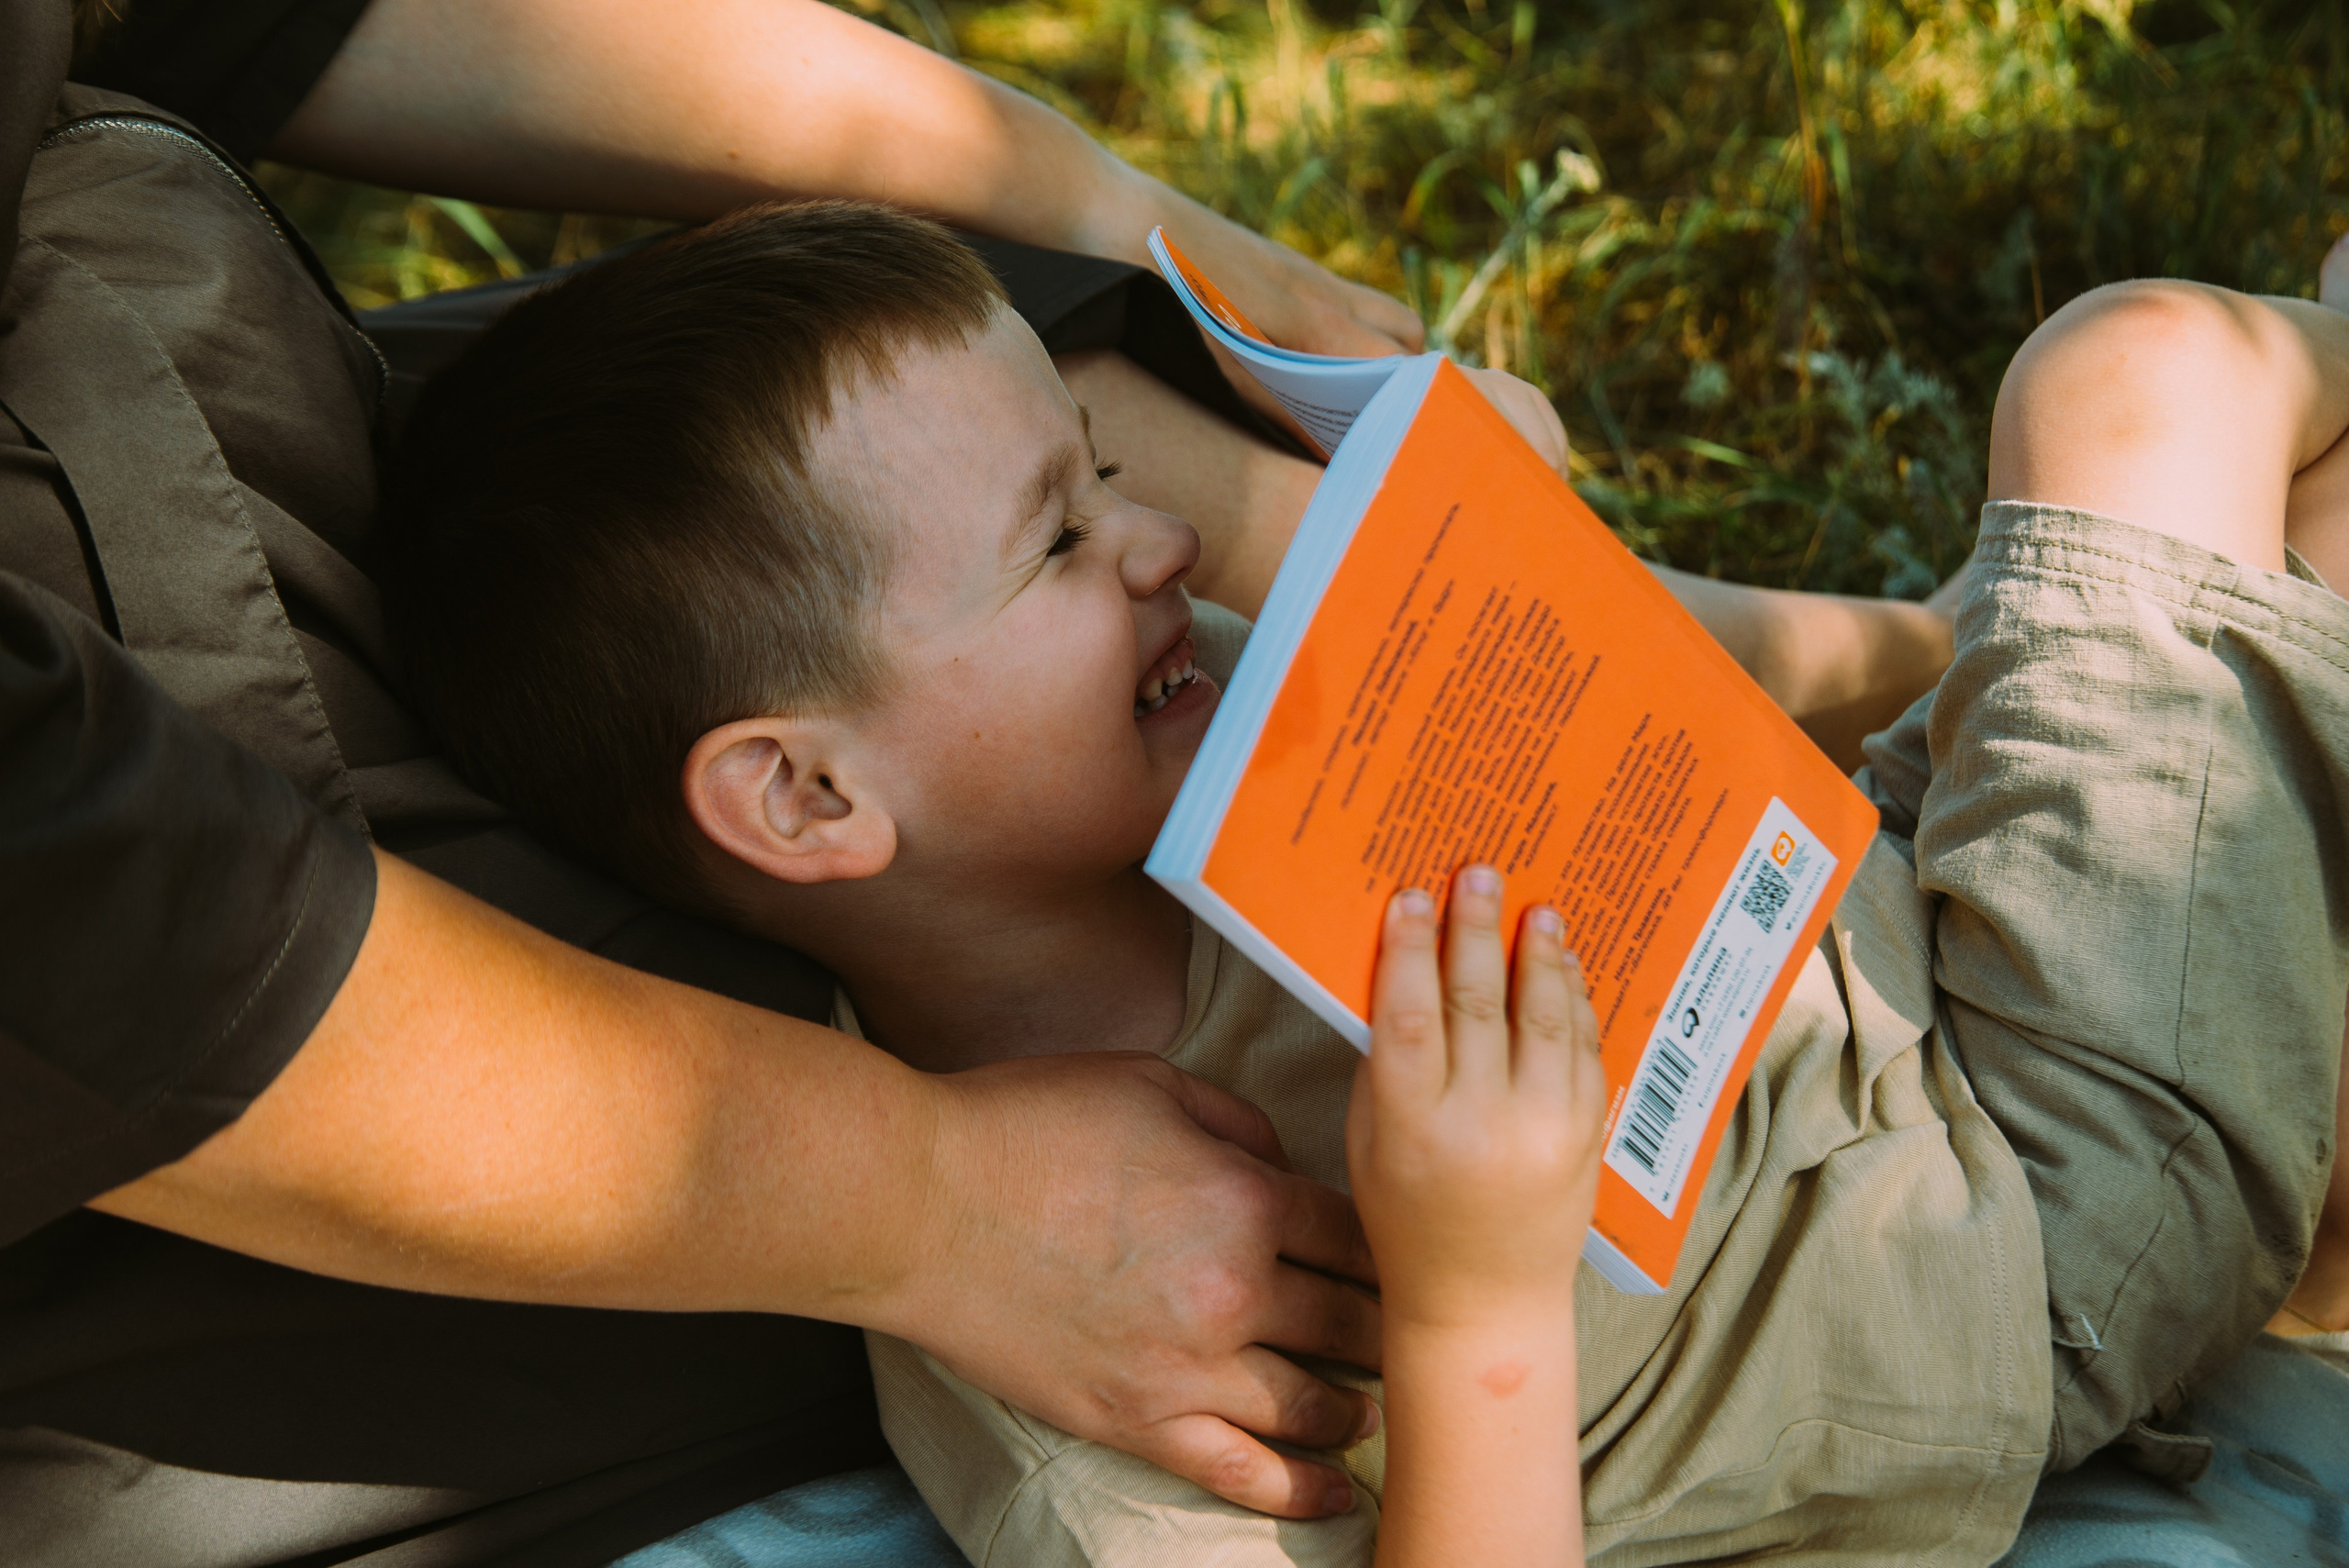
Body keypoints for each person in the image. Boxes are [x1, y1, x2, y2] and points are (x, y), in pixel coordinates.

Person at [377, 199, 2348, 1566]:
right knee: (2143, 381)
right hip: (2023, 1224)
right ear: (807, 795)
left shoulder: (1194, 733)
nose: (1159, 540)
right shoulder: (1067, 1328)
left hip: (1892, 921)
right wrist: (1475, 1292)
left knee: (2314, 534)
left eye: (1102, 469)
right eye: (1054, 538)